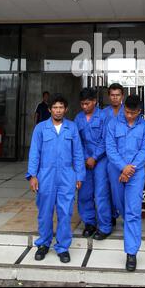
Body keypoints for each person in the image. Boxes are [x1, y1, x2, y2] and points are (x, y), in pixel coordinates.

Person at [26, 94, 85, 263]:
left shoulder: (72, 128)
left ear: (65, 109)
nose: (58, 110)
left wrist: (79, 175)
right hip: (45, 176)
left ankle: (62, 247)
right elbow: (34, 153)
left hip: (67, 176)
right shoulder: (40, 128)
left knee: (65, 213)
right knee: (45, 212)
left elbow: (78, 153)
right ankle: (43, 244)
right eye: (55, 107)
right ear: (50, 109)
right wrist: (32, 175)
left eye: (61, 107)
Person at [106, 95, 145, 272]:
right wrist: (122, 167)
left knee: (133, 211)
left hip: (136, 173)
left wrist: (130, 169)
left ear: (139, 111)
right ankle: (129, 228)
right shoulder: (113, 124)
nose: (129, 116)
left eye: (133, 113)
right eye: (127, 112)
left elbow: (144, 151)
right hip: (116, 171)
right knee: (120, 205)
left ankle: (131, 253)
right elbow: (110, 148)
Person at [75, 88, 112, 240]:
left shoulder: (104, 116)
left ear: (95, 102)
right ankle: (89, 223)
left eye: (87, 103)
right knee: (84, 193)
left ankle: (105, 226)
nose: (85, 107)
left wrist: (95, 157)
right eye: (82, 104)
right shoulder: (78, 118)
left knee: (101, 194)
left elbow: (106, 140)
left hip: (101, 160)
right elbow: (77, 141)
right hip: (84, 161)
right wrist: (85, 158)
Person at [102, 83, 125, 226]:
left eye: (117, 95)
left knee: (120, 189)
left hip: (123, 156)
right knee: (106, 188)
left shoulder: (128, 111)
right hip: (106, 155)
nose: (115, 98)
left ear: (122, 96)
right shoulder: (103, 113)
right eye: (112, 95)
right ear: (109, 96)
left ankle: (124, 213)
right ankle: (110, 215)